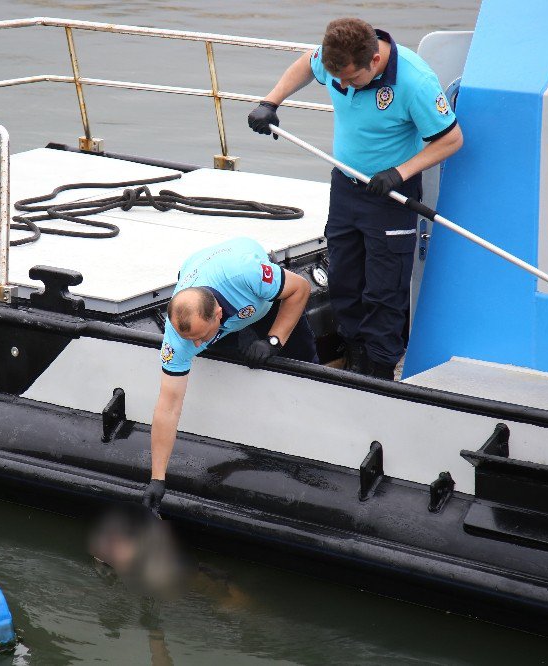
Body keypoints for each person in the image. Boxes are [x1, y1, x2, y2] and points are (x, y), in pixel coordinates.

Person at [247, 18, 463, 380]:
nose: (343, 87)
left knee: (383, 290)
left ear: (374, 62)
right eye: (337, 80)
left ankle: (378, 371)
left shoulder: (414, 82)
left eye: (351, 79)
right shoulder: (337, 59)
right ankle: (353, 358)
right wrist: (271, 101)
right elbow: (307, 63)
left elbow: (452, 139)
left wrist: (400, 172)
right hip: (346, 186)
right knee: (344, 279)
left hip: (390, 194)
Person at [142, 236, 315, 514]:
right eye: (191, 339)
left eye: (200, 337)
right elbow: (168, 406)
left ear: (219, 314)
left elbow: (301, 289)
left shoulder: (248, 274)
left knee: (302, 356)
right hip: (205, 283)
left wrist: (274, 341)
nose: (196, 346)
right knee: (227, 357)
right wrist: (157, 478)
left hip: (255, 297)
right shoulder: (180, 338)